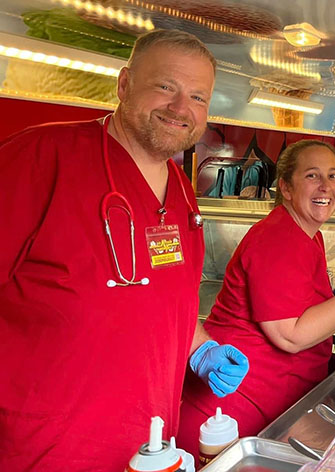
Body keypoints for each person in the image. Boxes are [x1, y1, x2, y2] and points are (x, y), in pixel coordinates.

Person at [0, 29, 249, 472]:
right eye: (165, 86)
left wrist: (200, 346)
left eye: (197, 96)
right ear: (123, 84)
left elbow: (159, 297)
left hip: (149, 447)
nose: (180, 108)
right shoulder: (40, 157)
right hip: (47, 450)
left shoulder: (183, 194)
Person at [178, 140, 335, 453]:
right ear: (285, 186)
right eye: (312, 176)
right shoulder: (277, 239)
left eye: (333, 176)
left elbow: (300, 304)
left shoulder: (309, 235)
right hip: (232, 409)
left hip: (274, 404)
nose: (325, 186)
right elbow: (291, 335)